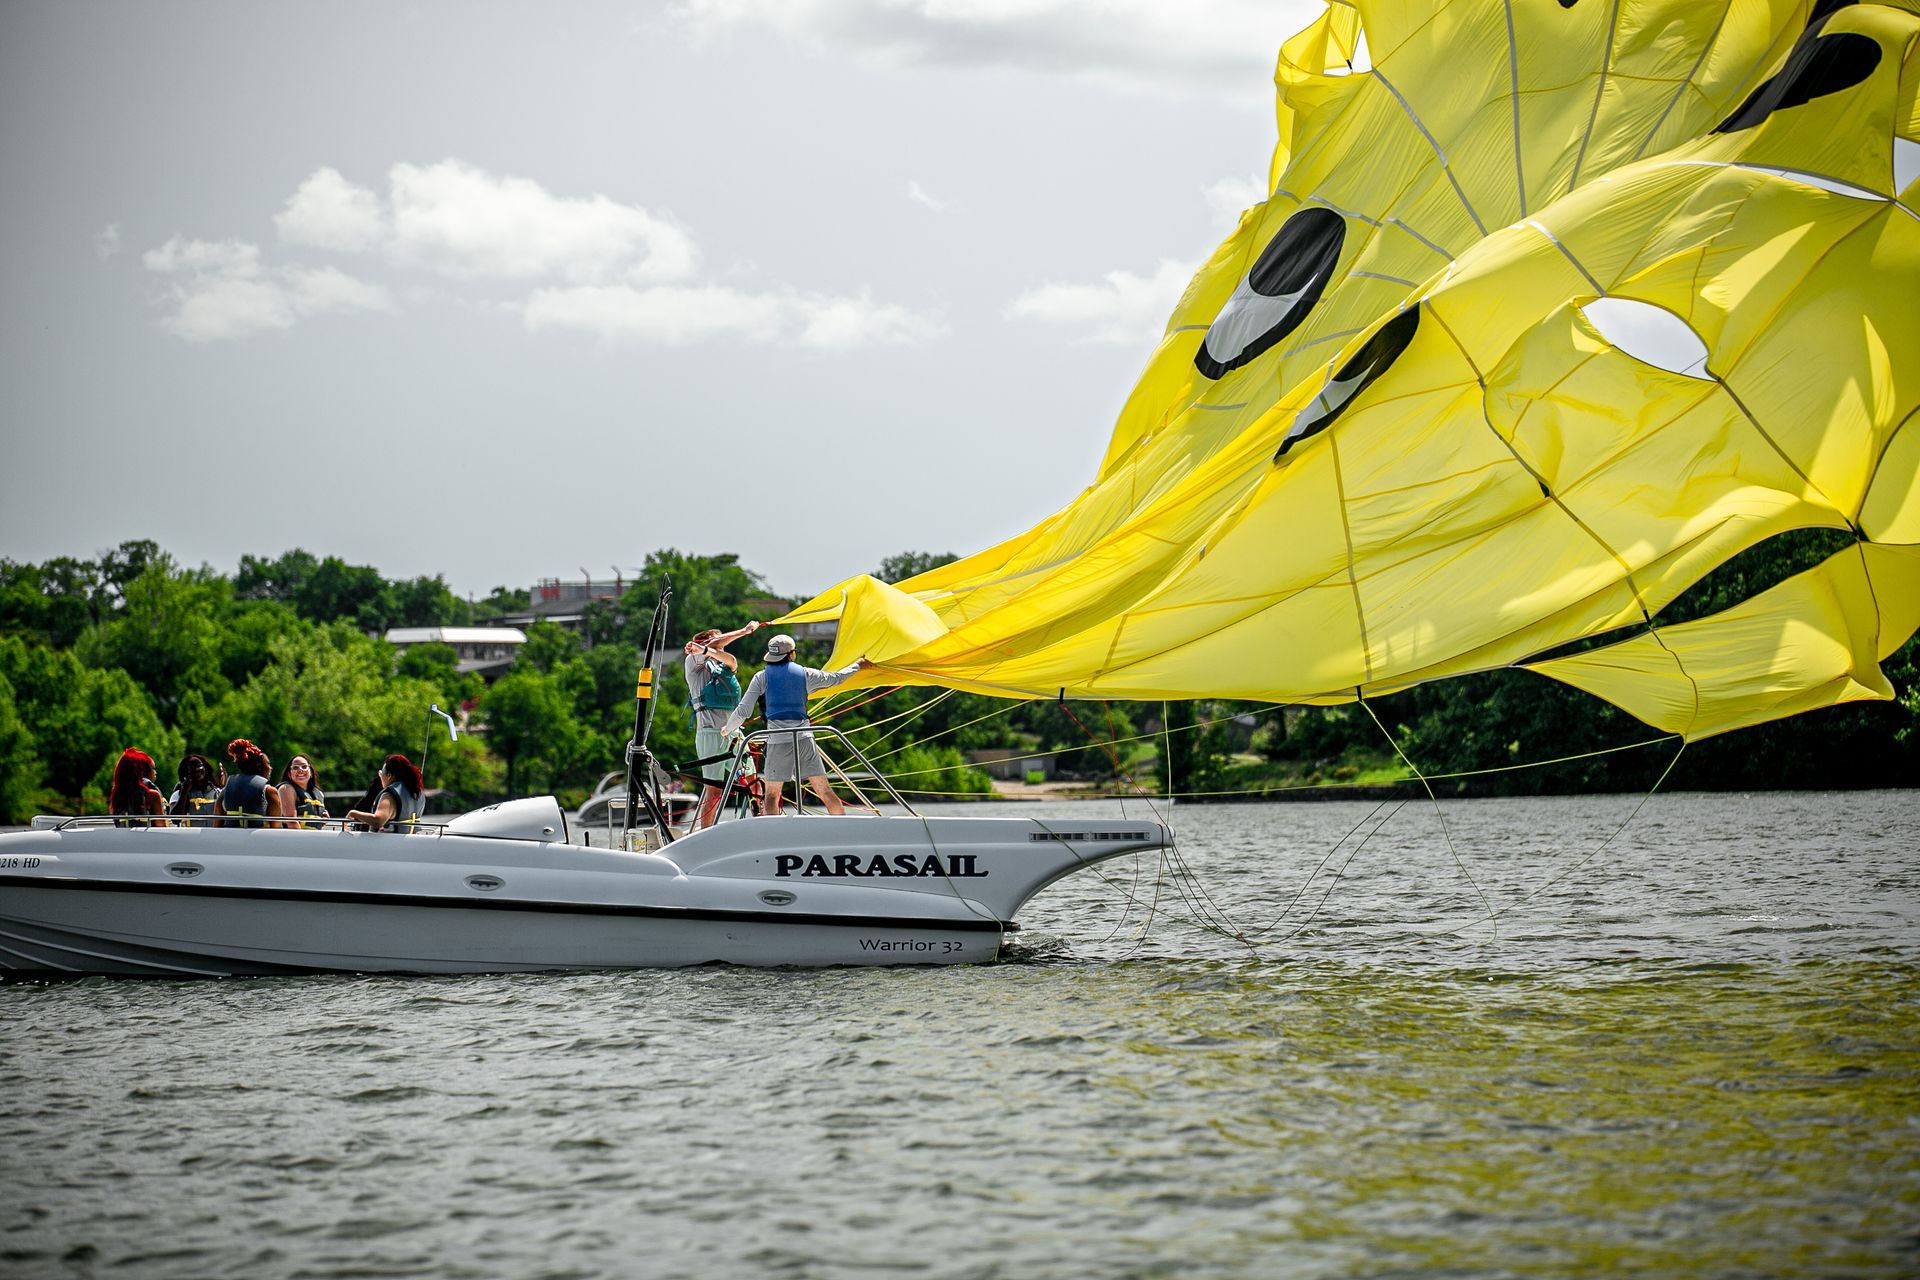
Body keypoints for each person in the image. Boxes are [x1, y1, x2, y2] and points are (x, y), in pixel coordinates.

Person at [720, 634, 871, 816]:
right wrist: (858, 664)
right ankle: (841, 831)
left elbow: (743, 711)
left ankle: (775, 837)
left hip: (778, 741)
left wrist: (727, 729)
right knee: (824, 790)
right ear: (791, 654)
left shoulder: (761, 677)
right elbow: (836, 678)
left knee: (772, 795)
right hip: (804, 738)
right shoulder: (805, 674)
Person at [684, 620, 761, 829]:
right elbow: (712, 647)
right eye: (717, 642)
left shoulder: (725, 663)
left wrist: (715, 646)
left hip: (734, 733)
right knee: (714, 790)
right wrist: (744, 632)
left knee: (753, 781)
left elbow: (731, 659)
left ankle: (763, 823)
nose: (722, 645)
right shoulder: (693, 662)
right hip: (710, 733)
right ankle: (705, 833)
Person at [346, 754, 425, 833]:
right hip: (410, 841)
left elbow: (378, 821)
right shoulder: (416, 791)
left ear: (389, 776)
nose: (380, 776)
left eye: (381, 773)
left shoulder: (389, 795)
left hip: (390, 843)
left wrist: (353, 813)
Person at [218, 738, 287, 828]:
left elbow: (216, 826)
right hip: (258, 841)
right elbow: (276, 829)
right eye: (268, 764)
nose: (270, 768)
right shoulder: (269, 792)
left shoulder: (225, 790)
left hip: (229, 840)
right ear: (259, 766)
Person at [108, 749, 167, 827]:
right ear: (143, 771)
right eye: (152, 768)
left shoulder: (117, 797)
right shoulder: (152, 795)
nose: (155, 772)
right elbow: (161, 827)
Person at [168, 753, 223, 822]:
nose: (197, 771)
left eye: (200, 769)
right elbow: (175, 820)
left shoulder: (216, 792)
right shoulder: (178, 795)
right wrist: (184, 793)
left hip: (212, 832)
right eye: (193, 771)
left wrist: (222, 786)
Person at [277, 754, 329, 828]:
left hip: (313, 836)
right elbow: (292, 822)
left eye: (304, 766)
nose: (300, 770)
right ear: (289, 774)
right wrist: (303, 839)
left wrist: (322, 820)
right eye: (295, 767)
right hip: (294, 838)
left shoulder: (319, 794)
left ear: (310, 772)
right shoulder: (285, 789)